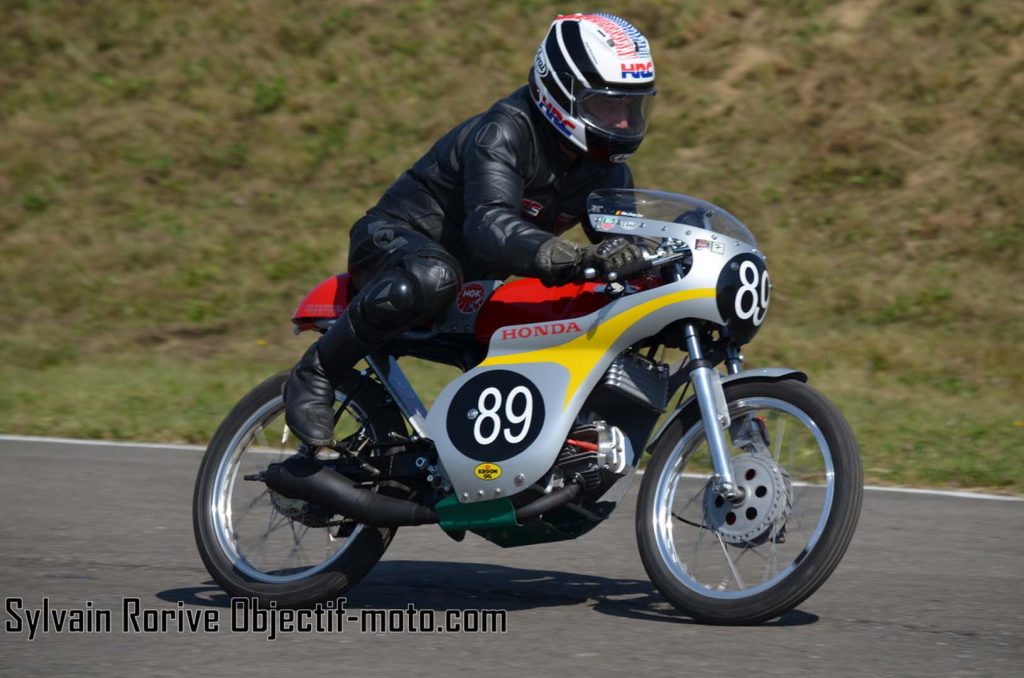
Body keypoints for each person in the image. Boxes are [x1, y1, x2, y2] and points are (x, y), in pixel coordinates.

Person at [284, 13, 658, 447]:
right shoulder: (504, 131)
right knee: (433, 275)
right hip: (394, 244)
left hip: (477, 284)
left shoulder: (605, 171)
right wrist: (576, 258)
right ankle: (316, 371)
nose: (625, 123)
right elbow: (490, 226)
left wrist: (660, 256)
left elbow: (626, 245)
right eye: (608, 105)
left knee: (583, 309)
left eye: (632, 107)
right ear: (561, 91)